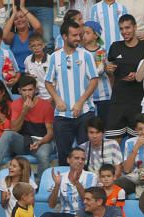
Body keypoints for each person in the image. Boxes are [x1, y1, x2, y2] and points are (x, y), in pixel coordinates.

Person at [46, 20, 99, 164]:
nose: (78, 38)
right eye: (74, 35)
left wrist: (81, 101)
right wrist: (57, 99)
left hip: (85, 113)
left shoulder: (86, 55)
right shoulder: (54, 57)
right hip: (62, 116)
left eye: (79, 35)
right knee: (63, 156)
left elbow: (94, 80)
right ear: (64, 36)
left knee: (85, 156)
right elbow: (48, 82)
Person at [0, 75, 53, 174]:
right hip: (24, 141)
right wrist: (24, 112)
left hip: (41, 141)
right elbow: (14, 129)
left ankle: (41, 185)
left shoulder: (46, 105)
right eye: (24, 90)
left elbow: (50, 133)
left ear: (35, 90)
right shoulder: (16, 104)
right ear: (19, 91)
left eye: (30, 90)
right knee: (7, 134)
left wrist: (40, 142)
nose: (27, 93)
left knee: (43, 155)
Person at [105, 14, 144, 141]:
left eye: (127, 28)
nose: (124, 32)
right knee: (114, 143)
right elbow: (111, 74)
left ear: (135, 27)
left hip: (138, 101)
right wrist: (108, 71)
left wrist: (137, 75)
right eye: (121, 29)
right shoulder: (115, 46)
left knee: (137, 142)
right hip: (118, 101)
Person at [41, 146, 97, 217]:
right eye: (76, 158)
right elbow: (51, 205)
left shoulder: (91, 176)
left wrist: (77, 183)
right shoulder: (61, 177)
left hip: (85, 216)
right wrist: (57, 185)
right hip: (67, 216)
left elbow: (88, 201)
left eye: (82, 159)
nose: (80, 161)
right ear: (68, 160)